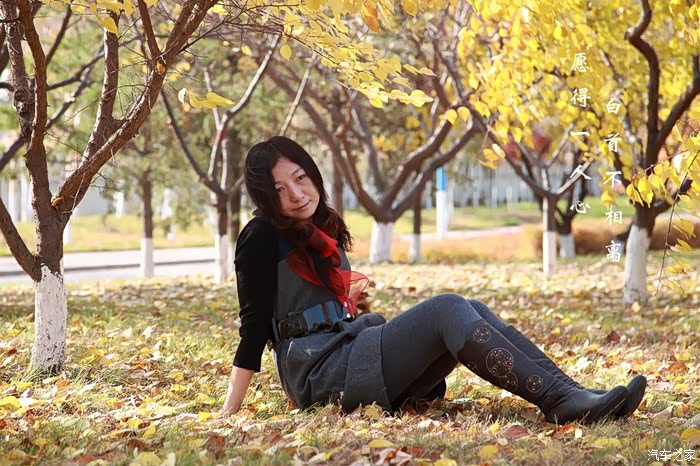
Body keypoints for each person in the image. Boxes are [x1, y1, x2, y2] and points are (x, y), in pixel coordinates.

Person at [218, 136, 647, 424]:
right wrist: (228, 413)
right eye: (279, 190)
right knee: (447, 309)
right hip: (321, 373)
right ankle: (561, 402)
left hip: (349, 353)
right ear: (265, 197)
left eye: (300, 178)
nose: (296, 194)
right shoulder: (259, 236)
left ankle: (572, 392)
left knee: (470, 309)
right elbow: (253, 329)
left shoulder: (320, 228)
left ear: (313, 174)